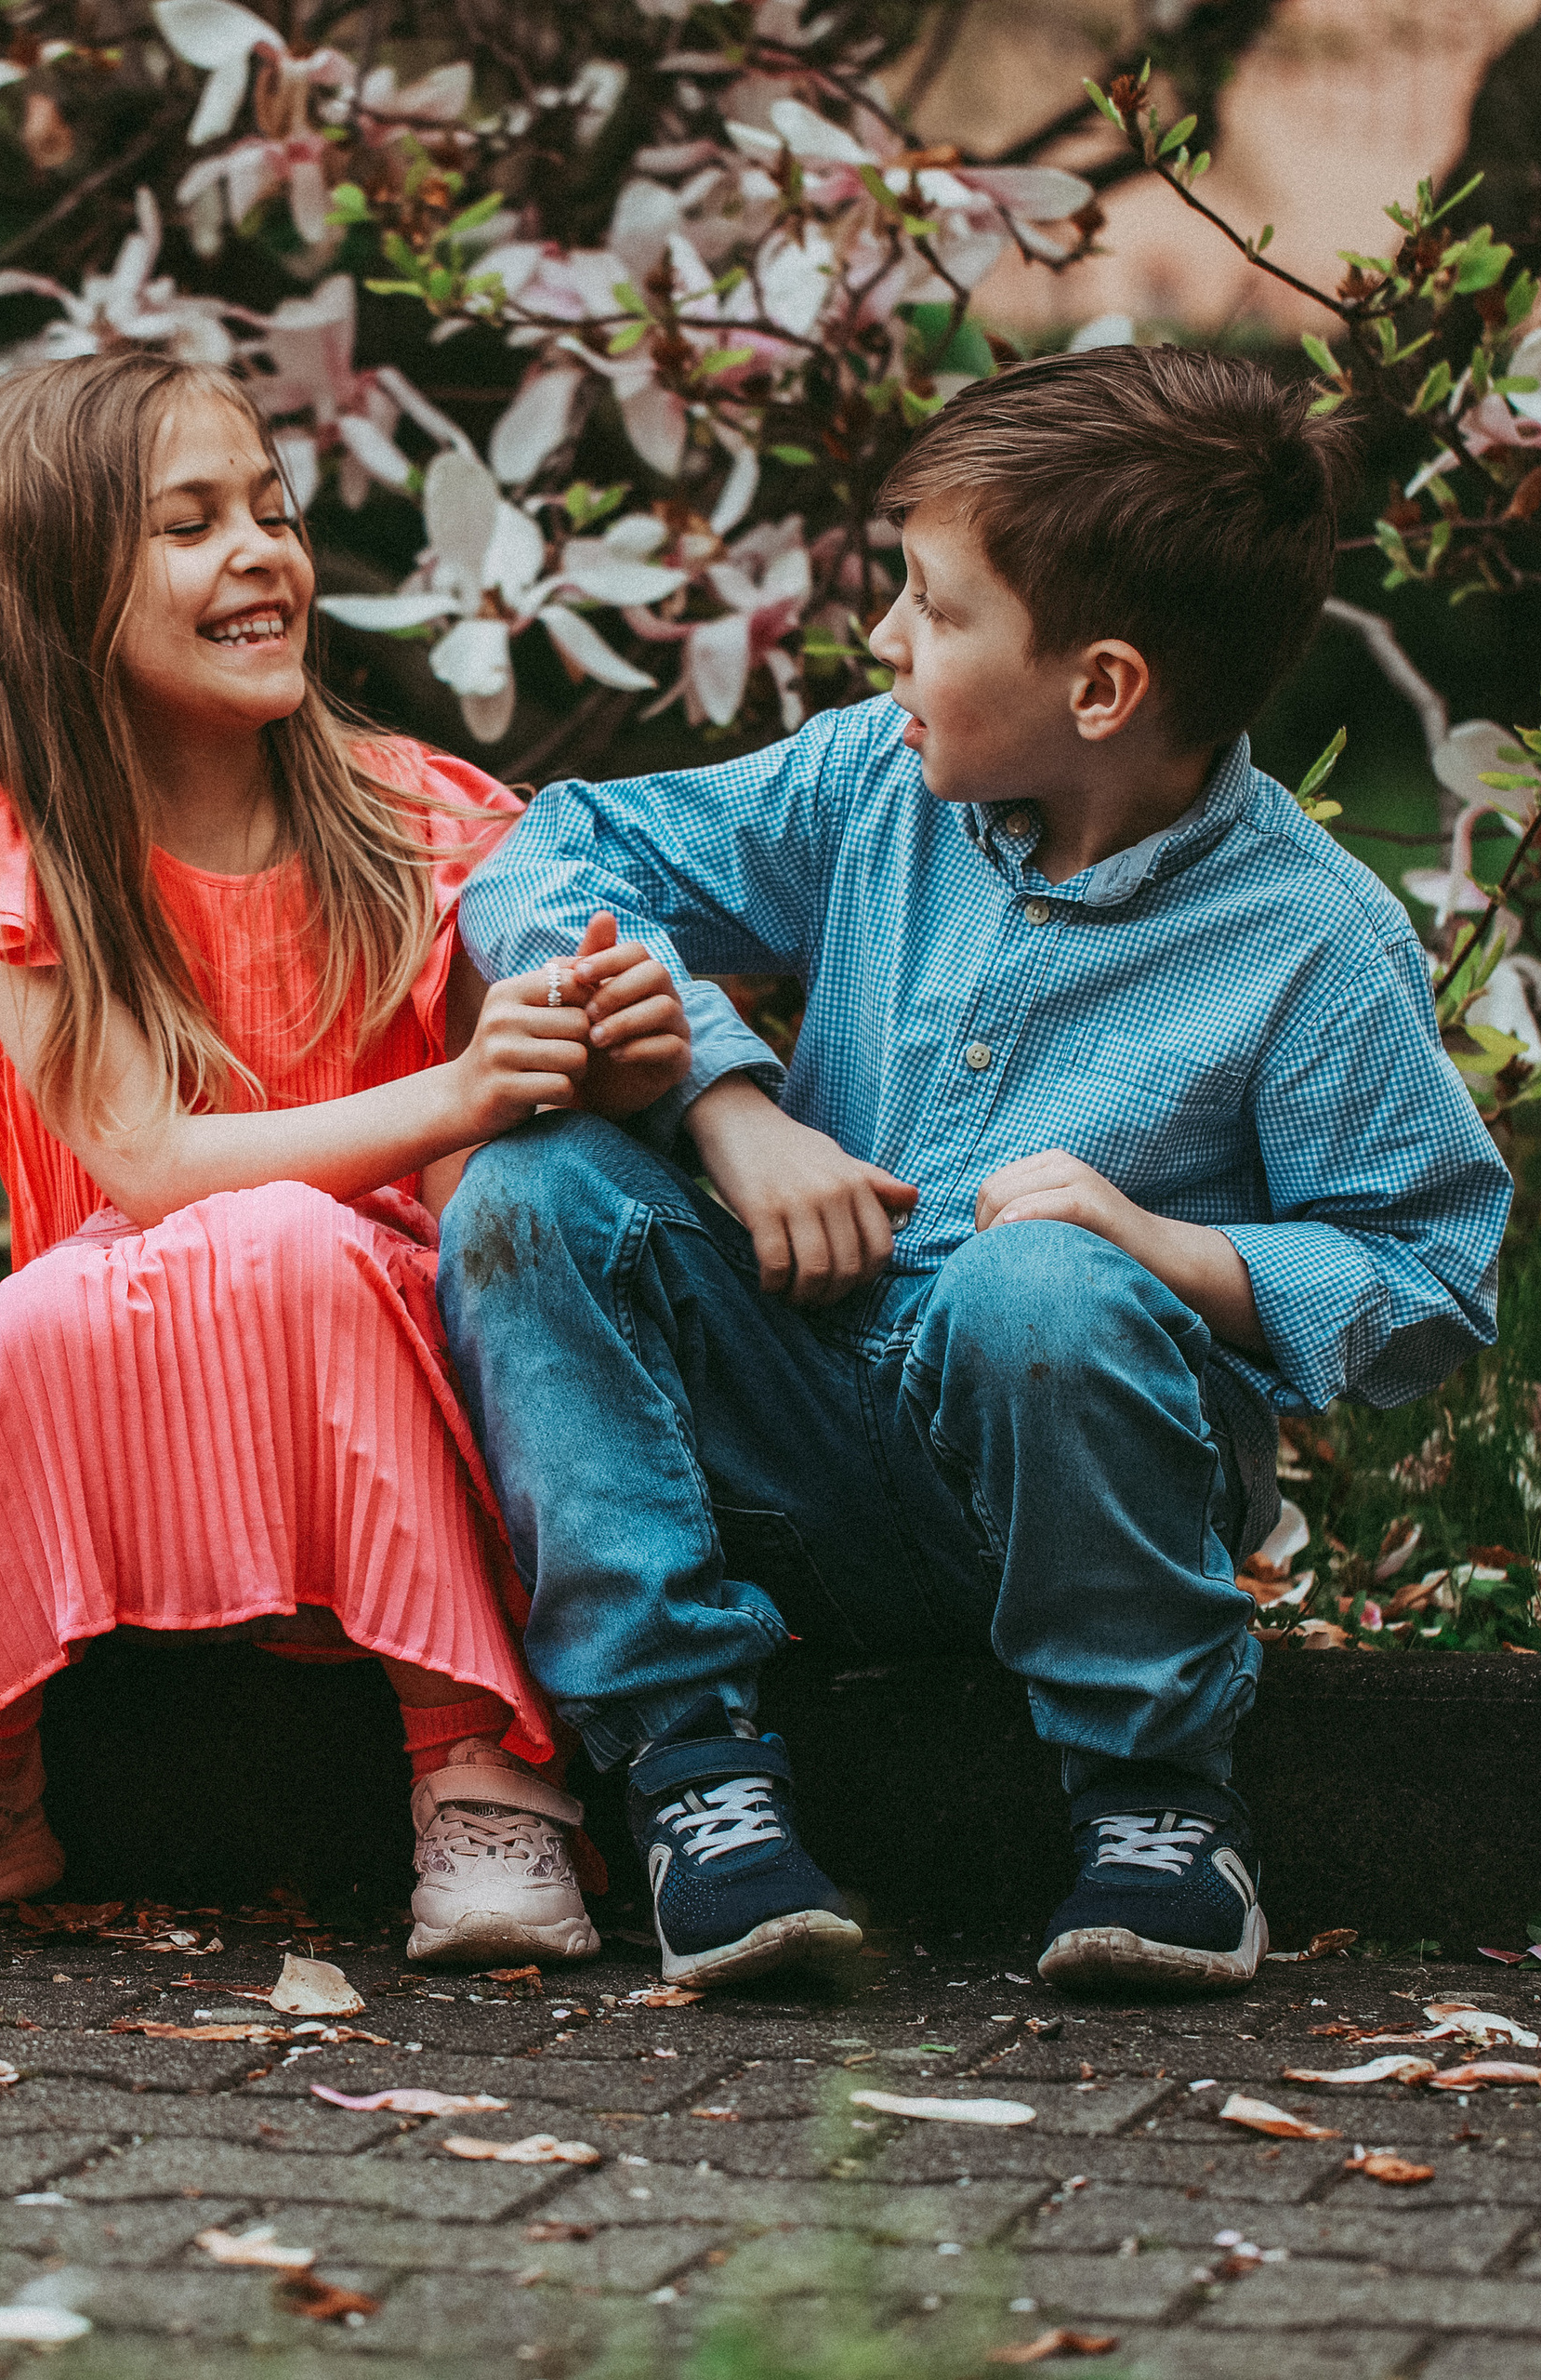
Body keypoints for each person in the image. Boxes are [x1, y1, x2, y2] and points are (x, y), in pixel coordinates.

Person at [437, 346, 1512, 1996]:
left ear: (1100, 688)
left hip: (1059, 1489)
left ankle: (1158, 1810)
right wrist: (731, 1107)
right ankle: (695, 1775)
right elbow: (558, 850)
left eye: (935, 610)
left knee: (1041, 1276)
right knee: (532, 1194)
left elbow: (1433, 1275)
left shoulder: (1310, 943)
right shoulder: (879, 780)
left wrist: (1163, 1246)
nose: (888, 643)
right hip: (801, 1439)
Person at [0, 351, 698, 1964]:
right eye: (188, 525)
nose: (262, 551)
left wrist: (610, 1049)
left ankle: (487, 1769)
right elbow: (146, 1157)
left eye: (272, 509)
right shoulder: (6, 826)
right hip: (122, 1396)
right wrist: (464, 1091)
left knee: (298, 1247)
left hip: (394, 1390)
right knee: (38, 1310)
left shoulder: (423, 822)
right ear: (47, 599)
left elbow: (502, 1187)